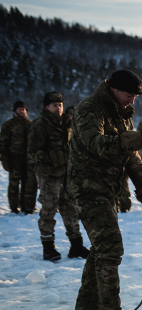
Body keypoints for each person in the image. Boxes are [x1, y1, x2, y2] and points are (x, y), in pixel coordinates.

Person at [69, 69, 142, 310]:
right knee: (110, 248)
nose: (133, 101)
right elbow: (97, 144)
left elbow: (132, 157)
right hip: (88, 189)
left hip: (107, 190)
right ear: (113, 88)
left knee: (101, 249)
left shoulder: (121, 114)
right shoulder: (89, 109)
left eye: (136, 97)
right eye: (129, 95)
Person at [28, 92, 90, 261]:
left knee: (71, 210)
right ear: (46, 107)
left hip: (67, 175)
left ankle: (76, 245)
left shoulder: (67, 123)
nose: (58, 108)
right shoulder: (40, 125)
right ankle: (48, 248)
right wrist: (54, 158)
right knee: (48, 210)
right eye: (54, 105)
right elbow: (33, 152)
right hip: (48, 176)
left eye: (60, 105)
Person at [0, 101, 36, 214]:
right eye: (19, 109)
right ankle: (14, 206)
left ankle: (26, 205)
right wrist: (4, 158)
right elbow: (3, 143)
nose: (22, 111)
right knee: (14, 183)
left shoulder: (30, 124)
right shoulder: (8, 125)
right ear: (15, 111)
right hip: (14, 158)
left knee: (27, 182)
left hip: (27, 158)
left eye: (23, 109)